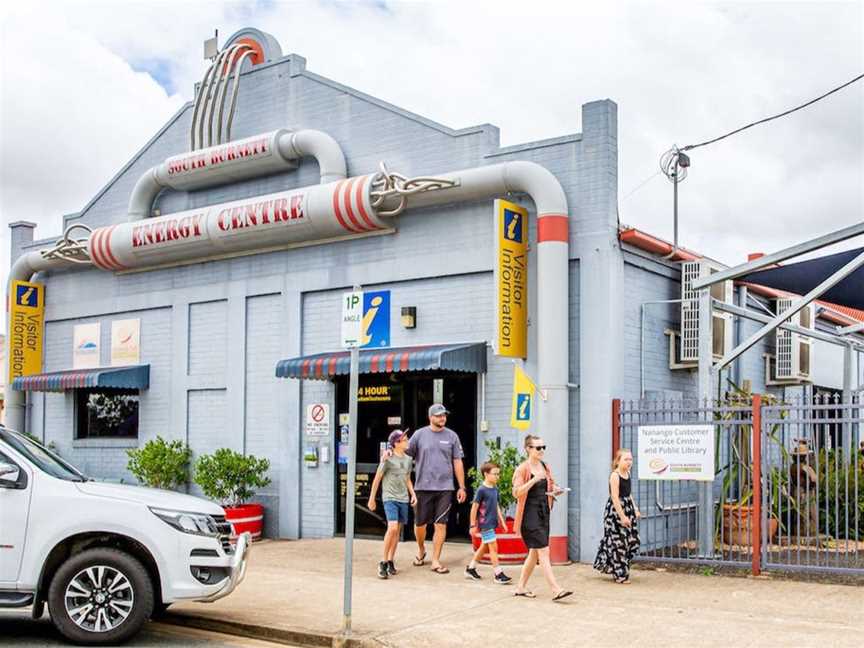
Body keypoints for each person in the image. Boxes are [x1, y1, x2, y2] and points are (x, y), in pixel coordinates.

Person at [407, 403, 467, 574]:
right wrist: (390, 453)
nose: (443, 418)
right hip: (422, 486)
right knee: (420, 524)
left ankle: (435, 560)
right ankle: (421, 549)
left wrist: (461, 487)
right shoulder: (419, 435)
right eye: (439, 415)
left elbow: (457, 461)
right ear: (430, 417)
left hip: (445, 488)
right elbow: (405, 455)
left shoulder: (452, 436)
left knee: (441, 524)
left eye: (444, 415)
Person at [512, 435, 572, 602]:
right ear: (528, 449)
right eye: (538, 448)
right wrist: (533, 480)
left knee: (534, 553)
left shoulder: (545, 466)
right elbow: (516, 492)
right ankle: (555, 589)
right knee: (544, 551)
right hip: (529, 515)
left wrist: (556, 490)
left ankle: (520, 587)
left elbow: (550, 485)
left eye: (543, 447)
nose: (542, 450)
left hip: (544, 512)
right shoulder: (522, 469)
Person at [368, 429, 416, 579]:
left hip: (403, 498)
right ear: (396, 443)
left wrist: (413, 493)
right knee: (392, 527)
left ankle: (390, 560)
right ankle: (382, 561)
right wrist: (371, 498)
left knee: (397, 531)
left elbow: (407, 478)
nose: (408, 441)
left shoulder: (408, 460)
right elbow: (378, 478)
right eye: (405, 440)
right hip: (389, 497)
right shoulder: (387, 459)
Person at [593, 448, 641, 584]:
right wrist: (622, 517)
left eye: (630, 459)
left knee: (633, 541)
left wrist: (635, 509)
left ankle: (611, 565)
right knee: (618, 543)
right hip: (615, 512)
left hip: (628, 508)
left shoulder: (628, 473)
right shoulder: (615, 475)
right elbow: (614, 497)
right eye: (626, 459)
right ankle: (620, 575)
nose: (629, 462)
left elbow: (628, 494)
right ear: (618, 460)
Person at [464, 461, 512, 584]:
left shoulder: (495, 488)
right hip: (485, 524)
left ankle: (471, 568)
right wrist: (472, 525)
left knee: (485, 546)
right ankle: (498, 574)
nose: (497, 476)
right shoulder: (481, 490)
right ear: (486, 474)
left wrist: (503, 521)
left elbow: (496, 506)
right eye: (495, 474)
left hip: (492, 522)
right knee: (493, 547)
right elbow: (474, 508)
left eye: (498, 474)